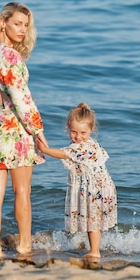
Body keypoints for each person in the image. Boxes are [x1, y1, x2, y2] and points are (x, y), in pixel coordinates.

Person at [0, 2, 48, 258]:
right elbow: (21, 98)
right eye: (17, 23)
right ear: (3, 21)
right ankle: (25, 245)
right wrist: (38, 131)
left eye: (26, 25)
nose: (22, 30)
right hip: (16, 131)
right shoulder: (10, 55)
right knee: (22, 192)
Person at [36, 102, 117, 261]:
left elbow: (63, 154)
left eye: (83, 133)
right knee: (92, 221)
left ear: (91, 130)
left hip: (95, 189)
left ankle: (95, 251)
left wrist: (45, 150)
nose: (78, 137)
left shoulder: (84, 147)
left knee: (93, 221)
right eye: (74, 132)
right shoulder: (88, 144)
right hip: (97, 187)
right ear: (68, 128)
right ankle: (94, 249)